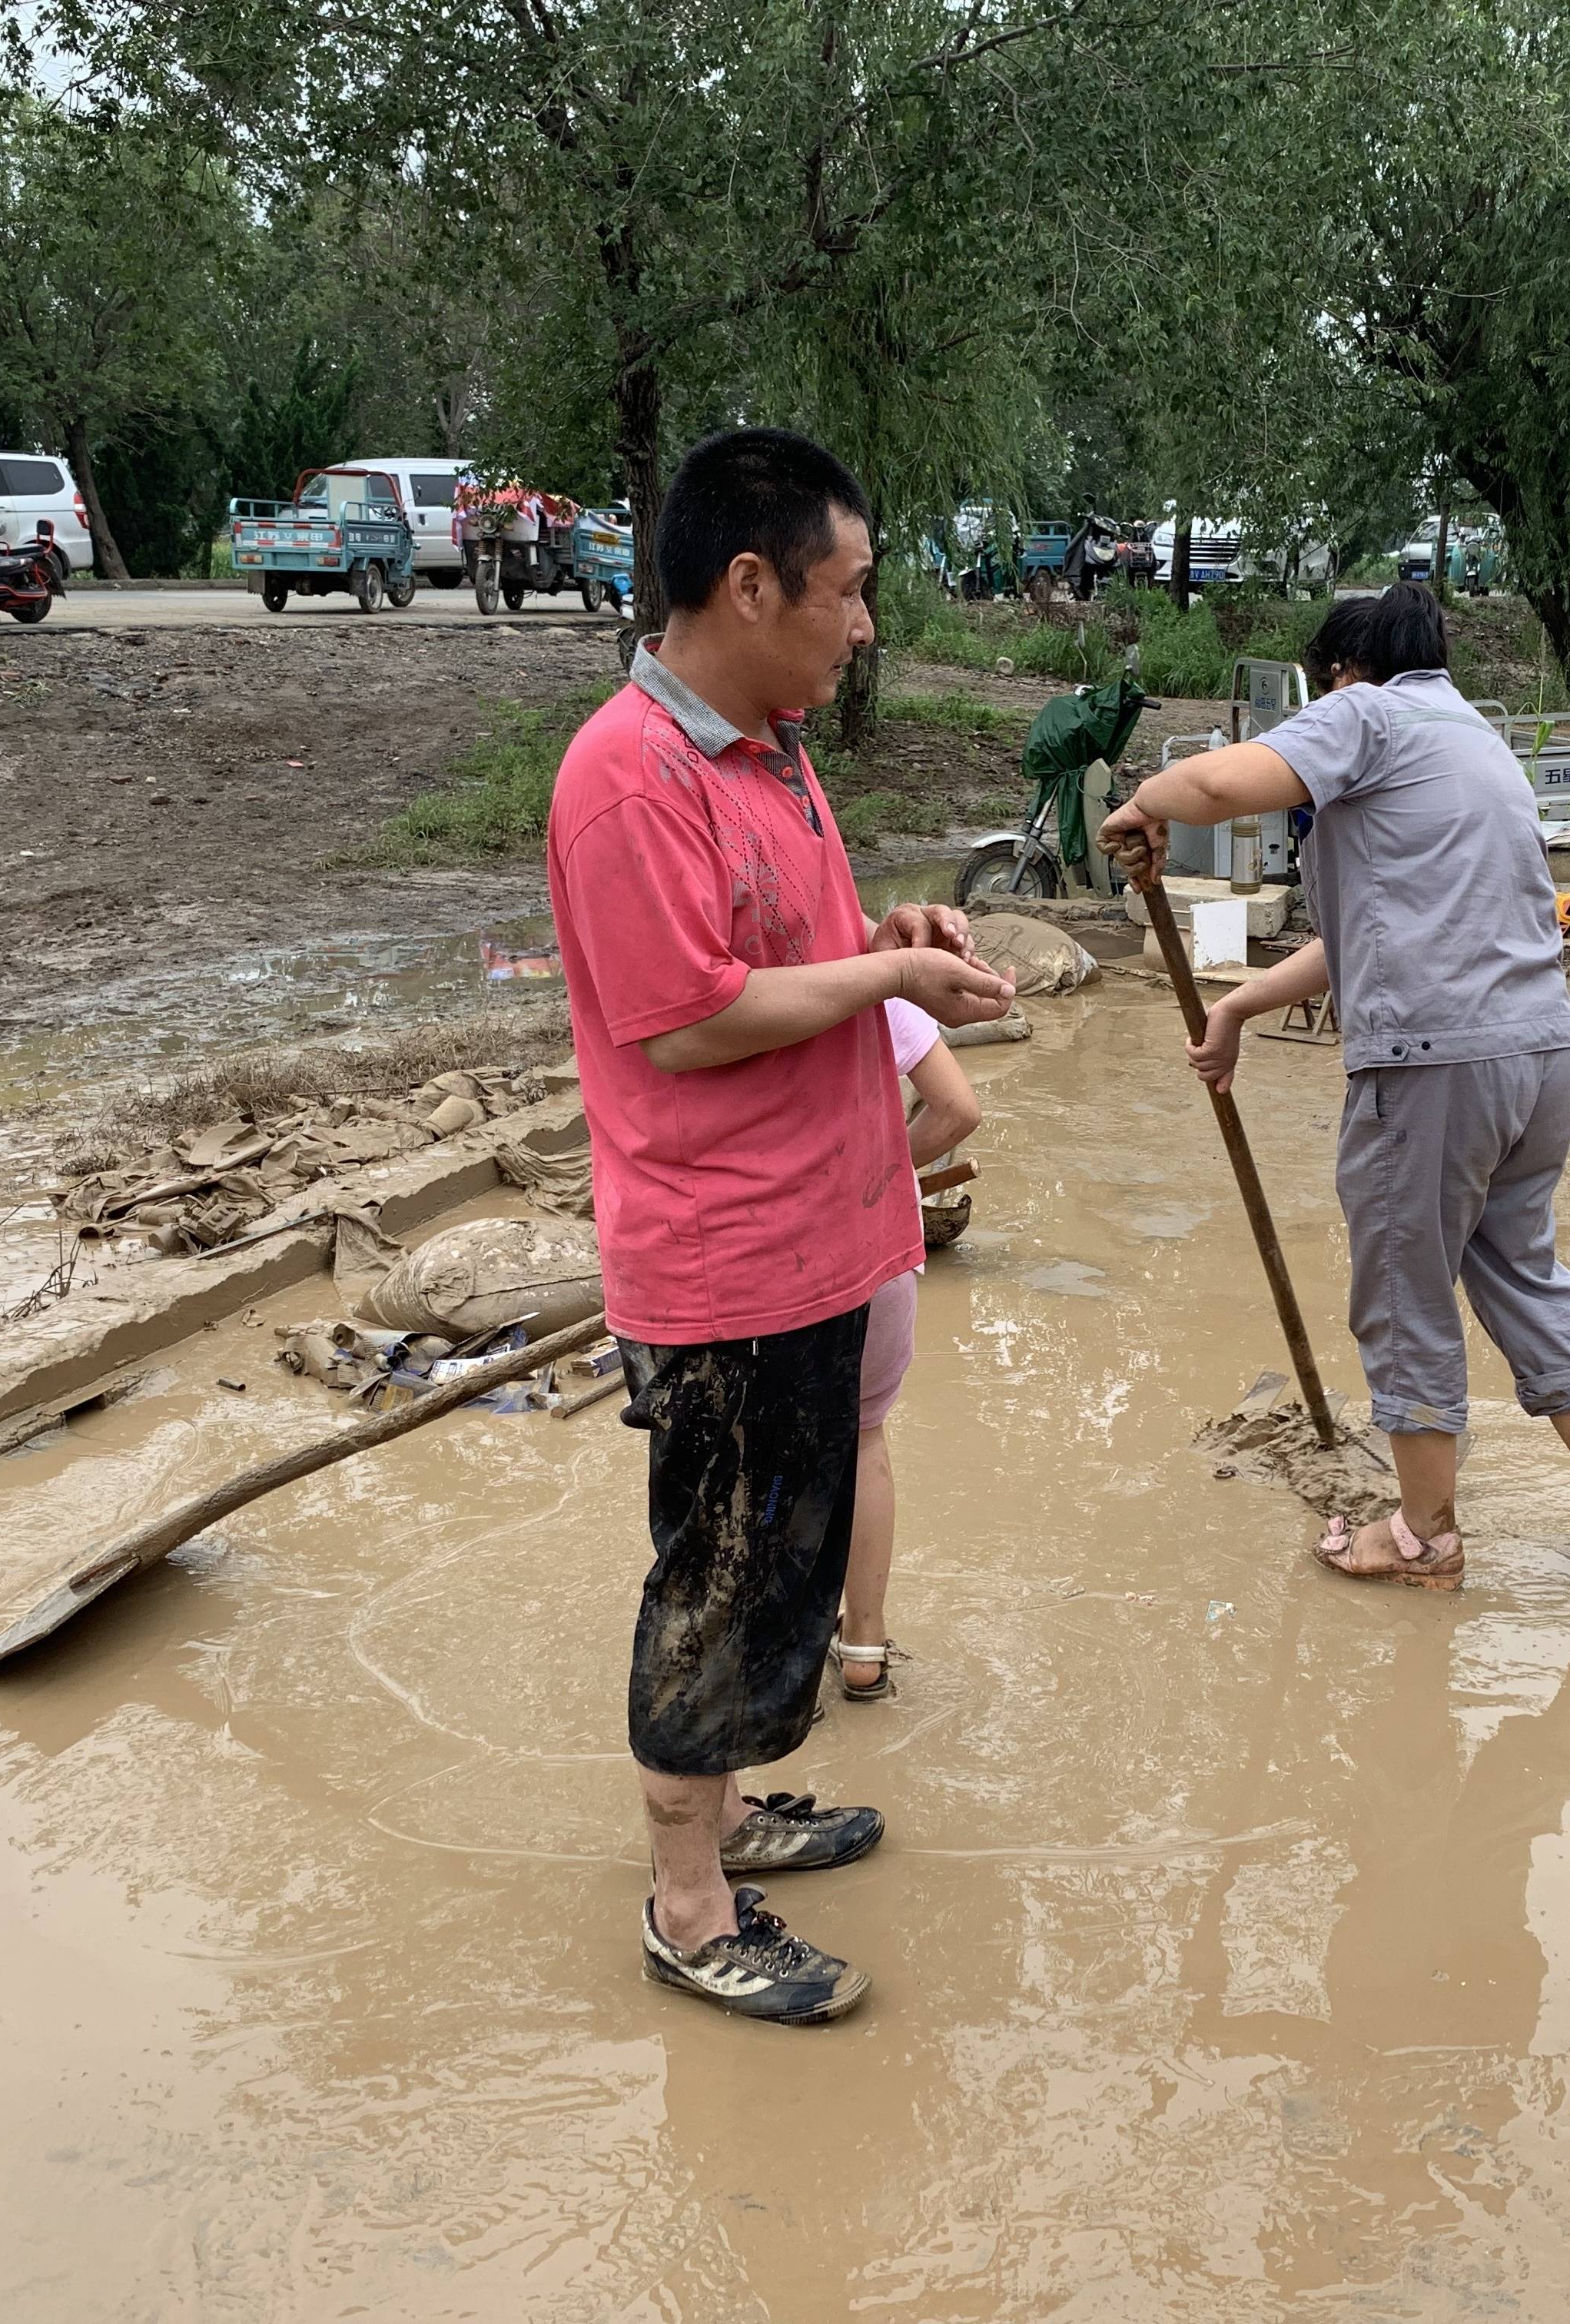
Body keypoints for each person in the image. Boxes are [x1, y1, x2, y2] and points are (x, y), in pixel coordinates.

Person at [544, 426, 1016, 2023]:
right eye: (849, 589)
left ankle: (731, 1808)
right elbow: (688, 1021)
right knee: (718, 1579)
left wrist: (887, 930)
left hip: (821, 1236)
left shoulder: (768, 749)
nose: (864, 625)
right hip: (725, 1260)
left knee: (778, 1575)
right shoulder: (628, 776)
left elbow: (782, 951)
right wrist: (890, 977)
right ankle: (688, 1904)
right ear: (749, 586)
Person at [1098, 581, 1570, 1590]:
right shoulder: (1476, 740)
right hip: (1536, 1057)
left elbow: (1217, 787)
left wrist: (1145, 800)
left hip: (1436, 1064)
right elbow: (1365, 937)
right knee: (1524, 1272)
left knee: (1405, 1293)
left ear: (1342, 673)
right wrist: (1239, 1006)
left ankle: (1423, 1537)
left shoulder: (1365, 712)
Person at [829, 997, 984, 1704]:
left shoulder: (751, 996)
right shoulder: (878, 992)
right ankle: (864, 1646)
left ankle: (782, 1658)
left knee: (771, 1446)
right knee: (863, 1437)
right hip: (880, 1250)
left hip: (779, 1258)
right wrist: (879, 1169)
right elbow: (957, 1109)